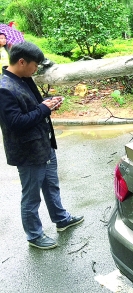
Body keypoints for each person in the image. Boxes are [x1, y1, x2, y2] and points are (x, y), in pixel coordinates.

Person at [0, 42, 83, 250]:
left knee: (51, 185)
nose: (37, 69)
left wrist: (49, 102)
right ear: (21, 62)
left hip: (43, 144)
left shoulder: (24, 79)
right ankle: (34, 236)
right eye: (35, 65)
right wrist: (44, 109)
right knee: (31, 197)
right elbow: (16, 123)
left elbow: (33, 107)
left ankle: (61, 219)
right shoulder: (5, 89)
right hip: (27, 152)